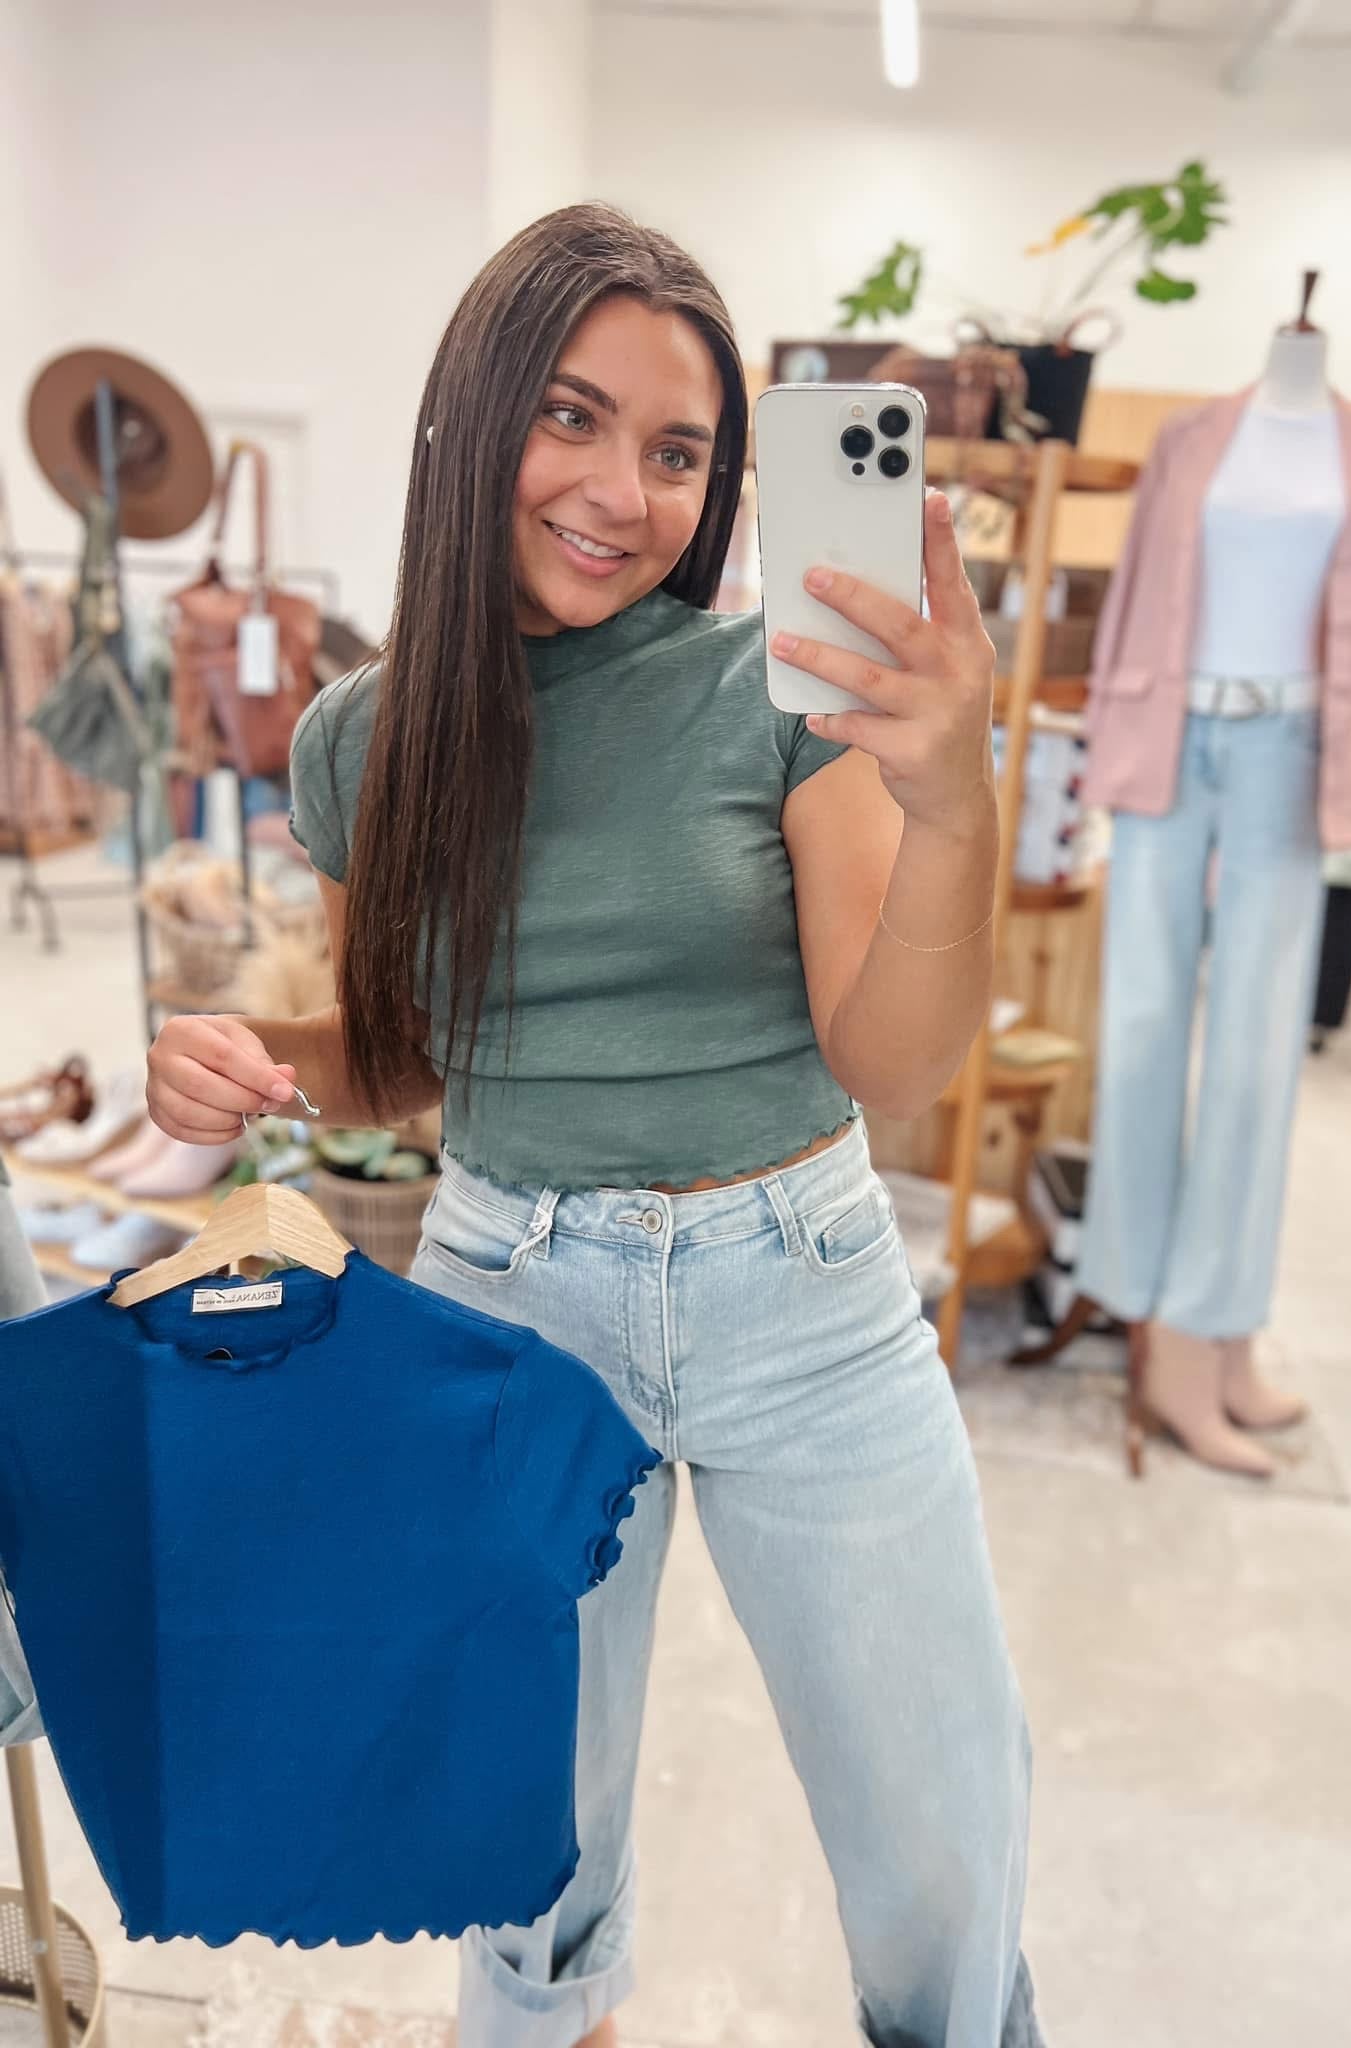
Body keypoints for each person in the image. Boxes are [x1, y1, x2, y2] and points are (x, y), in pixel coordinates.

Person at [145, 203, 1043, 2048]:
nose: (621, 490)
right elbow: (407, 1053)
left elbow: (892, 1063)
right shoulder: (360, 741)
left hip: (807, 1305)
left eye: (678, 450)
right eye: (572, 417)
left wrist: (951, 801)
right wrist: (253, 1056)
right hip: (512, 1304)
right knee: (529, 1864)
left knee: (944, 1850)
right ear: (474, 418)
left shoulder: (780, 695)